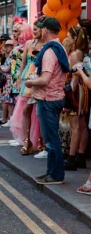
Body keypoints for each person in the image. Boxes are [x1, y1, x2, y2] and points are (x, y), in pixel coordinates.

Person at [25, 17, 68, 185]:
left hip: (48, 99)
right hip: (55, 97)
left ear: (45, 31)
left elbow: (45, 80)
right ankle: (51, 172)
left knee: (51, 140)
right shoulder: (60, 47)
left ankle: (56, 175)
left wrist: (30, 82)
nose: (39, 31)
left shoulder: (49, 52)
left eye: (41, 29)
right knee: (51, 138)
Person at [9, 18, 45, 156]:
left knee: (39, 111)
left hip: (39, 78)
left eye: (37, 29)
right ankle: (26, 140)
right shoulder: (29, 44)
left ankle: (40, 141)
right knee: (25, 109)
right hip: (27, 79)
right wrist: (19, 78)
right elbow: (23, 63)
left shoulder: (47, 45)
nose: (35, 32)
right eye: (33, 29)